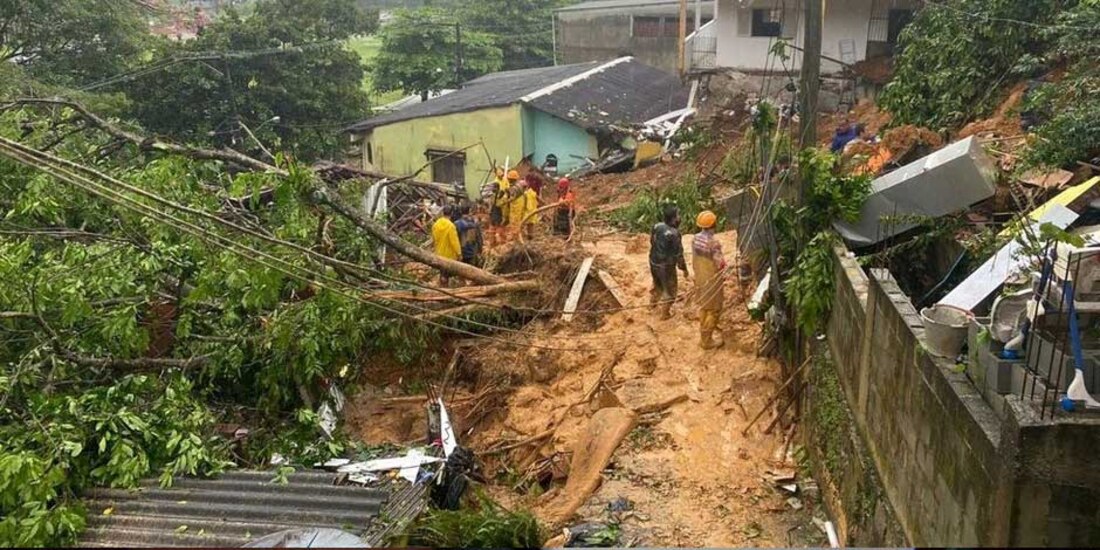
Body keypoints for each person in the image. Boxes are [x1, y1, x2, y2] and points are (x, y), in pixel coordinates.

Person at [692, 210, 726, 349]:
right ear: (713, 224)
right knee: (714, 310)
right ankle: (706, 341)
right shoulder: (713, 243)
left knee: (704, 307)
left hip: (700, 277)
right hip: (712, 279)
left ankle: (703, 333)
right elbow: (720, 264)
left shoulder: (695, 239)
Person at [649, 205, 688, 320]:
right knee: (670, 291)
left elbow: (652, 241)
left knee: (657, 284)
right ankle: (665, 314)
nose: (679, 218)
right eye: (678, 215)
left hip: (653, 261)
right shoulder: (674, 234)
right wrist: (684, 269)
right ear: (673, 218)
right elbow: (679, 255)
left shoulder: (657, 226)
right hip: (666, 266)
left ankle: (651, 306)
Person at [431, 205, 461, 286]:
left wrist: (435, 249)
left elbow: (434, 239)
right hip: (449, 254)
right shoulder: (451, 226)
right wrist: (459, 253)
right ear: (451, 213)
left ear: (443, 213)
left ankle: (442, 287)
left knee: (442, 271)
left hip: (439, 252)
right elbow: (454, 241)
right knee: (447, 273)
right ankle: (445, 289)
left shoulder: (436, 224)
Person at [507, 172, 527, 238]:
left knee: (514, 219)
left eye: (509, 178)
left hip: (516, 204)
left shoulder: (514, 188)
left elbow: (513, 197)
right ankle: (519, 232)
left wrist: (505, 202)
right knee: (519, 218)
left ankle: (515, 235)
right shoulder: (519, 185)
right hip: (520, 202)